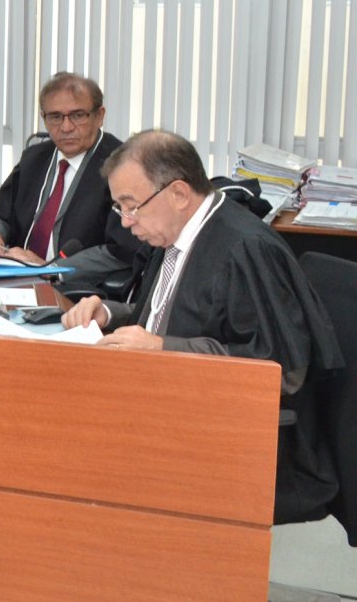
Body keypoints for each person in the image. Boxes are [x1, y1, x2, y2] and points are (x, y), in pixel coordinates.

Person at [63, 130, 343, 516]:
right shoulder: (174, 231)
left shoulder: (245, 249)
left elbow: (280, 367)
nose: (126, 222)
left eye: (131, 206)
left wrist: (162, 349)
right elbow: (175, 314)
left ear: (179, 193)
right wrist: (111, 313)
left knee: (80, 455)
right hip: (163, 400)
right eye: (119, 208)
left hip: (229, 433)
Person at [0, 73, 138, 289]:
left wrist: (52, 269)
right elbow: (0, 215)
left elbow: (121, 250)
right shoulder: (34, 158)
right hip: (16, 281)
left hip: (80, 290)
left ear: (100, 116)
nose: (66, 127)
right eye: (55, 117)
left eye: (78, 115)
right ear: (44, 118)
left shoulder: (123, 167)